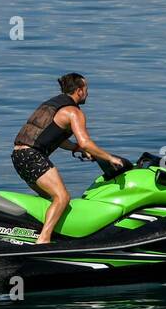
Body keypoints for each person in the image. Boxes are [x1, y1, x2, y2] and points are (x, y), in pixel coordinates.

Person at [11, 73, 124, 244]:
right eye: (86, 89)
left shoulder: (51, 105)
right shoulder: (73, 112)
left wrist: (75, 148)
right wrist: (109, 158)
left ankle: (35, 234)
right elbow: (86, 142)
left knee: (49, 200)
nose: (87, 93)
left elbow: (55, 137)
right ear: (79, 90)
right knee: (62, 197)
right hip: (32, 156)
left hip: (19, 156)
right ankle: (44, 240)